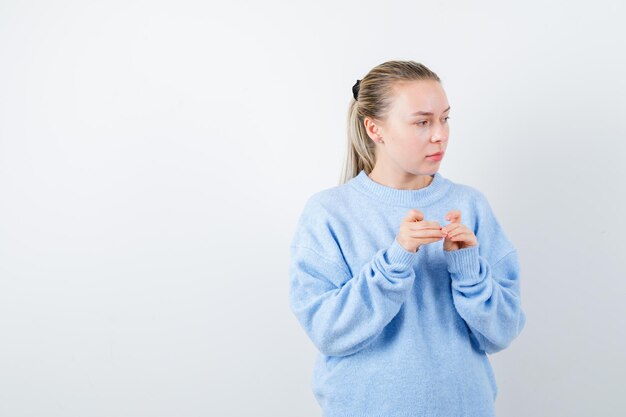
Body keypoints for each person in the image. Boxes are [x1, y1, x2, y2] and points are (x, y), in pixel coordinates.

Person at [288, 60, 526, 417]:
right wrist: (395, 261)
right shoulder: (329, 213)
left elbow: (502, 333)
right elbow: (329, 333)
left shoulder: (470, 205)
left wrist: (469, 271)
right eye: (422, 122)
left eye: (445, 118)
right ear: (374, 129)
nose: (439, 135)